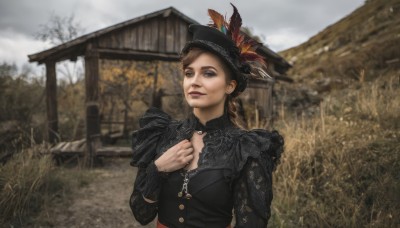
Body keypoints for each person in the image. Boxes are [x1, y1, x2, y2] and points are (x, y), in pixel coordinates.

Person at [129, 4, 284, 228]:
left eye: (208, 73)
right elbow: (141, 215)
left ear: (230, 86)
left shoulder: (246, 149)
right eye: (189, 73)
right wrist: (157, 169)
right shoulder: (162, 133)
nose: (194, 81)